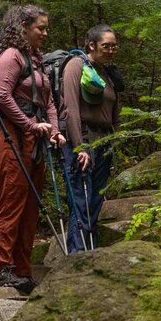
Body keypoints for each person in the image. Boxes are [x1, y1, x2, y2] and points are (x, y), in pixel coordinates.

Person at [0, 4, 64, 292]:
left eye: (46, 28)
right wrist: (30, 125)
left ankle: (22, 268)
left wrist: (54, 131)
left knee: (30, 207)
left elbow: (48, 102)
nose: (45, 33)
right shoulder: (11, 56)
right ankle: (2, 266)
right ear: (23, 26)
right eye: (40, 28)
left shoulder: (36, 59)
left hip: (36, 142)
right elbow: (2, 95)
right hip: (12, 140)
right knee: (10, 202)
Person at [61, 25, 122, 253]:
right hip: (84, 141)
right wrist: (79, 147)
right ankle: (78, 256)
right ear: (92, 45)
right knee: (80, 201)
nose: (111, 50)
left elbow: (115, 112)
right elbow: (71, 109)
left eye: (114, 46)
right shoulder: (76, 66)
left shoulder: (108, 73)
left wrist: (115, 142)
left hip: (104, 143)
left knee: (95, 202)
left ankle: (89, 251)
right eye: (106, 46)